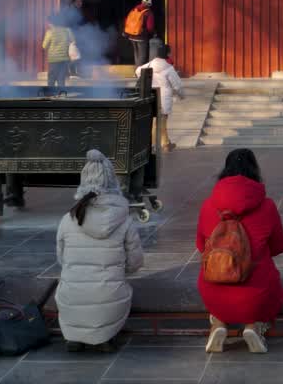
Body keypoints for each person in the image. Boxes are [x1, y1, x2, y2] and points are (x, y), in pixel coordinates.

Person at [196, 149, 283, 354]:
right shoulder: (267, 206)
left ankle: (218, 324)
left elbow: (201, 247)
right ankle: (254, 327)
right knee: (271, 287)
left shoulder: (208, 205)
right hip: (255, 294)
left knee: (220, 296)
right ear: (255, 172)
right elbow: (280, 246)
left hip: (213, 290)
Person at [56, 150, 144, 352]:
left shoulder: (68, 219)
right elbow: (135, 262)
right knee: (113, 291)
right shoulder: (123, 219)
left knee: (74, 288)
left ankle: (76, 337)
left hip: (71, 300)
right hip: (110, 297)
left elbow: (61, 259)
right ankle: (104, 337)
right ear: (112, 181)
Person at [136, 43, 186, 150]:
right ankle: (153, 145)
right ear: (167, 54)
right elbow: (177, 86)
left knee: (156, 121)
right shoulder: (168, 68)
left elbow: (137, 71)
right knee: (160, 122)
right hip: (164, 98)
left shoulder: (149, 65)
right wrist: (182, 96)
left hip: (150, 96)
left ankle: (166, 143)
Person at [43, 12, 76, 92]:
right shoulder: (68, 31)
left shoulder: (50, 32)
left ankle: (50, 95)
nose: (48, 24)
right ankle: (61, 97)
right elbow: (73, 42)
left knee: (51, 79)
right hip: (64, 59)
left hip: (53, 60)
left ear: (52, 22)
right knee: (61, 79)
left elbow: (44, 46)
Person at [124, 0, 157, 67]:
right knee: (142, 56)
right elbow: (150, 27)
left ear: (142, 2)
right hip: (141, 37)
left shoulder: (134, 9)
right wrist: (153, 33)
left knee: (136, 54)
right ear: (150, 4)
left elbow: (127, 20)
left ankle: (137, 70)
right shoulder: (148, 13)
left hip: (131, 36)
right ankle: (139, 72)